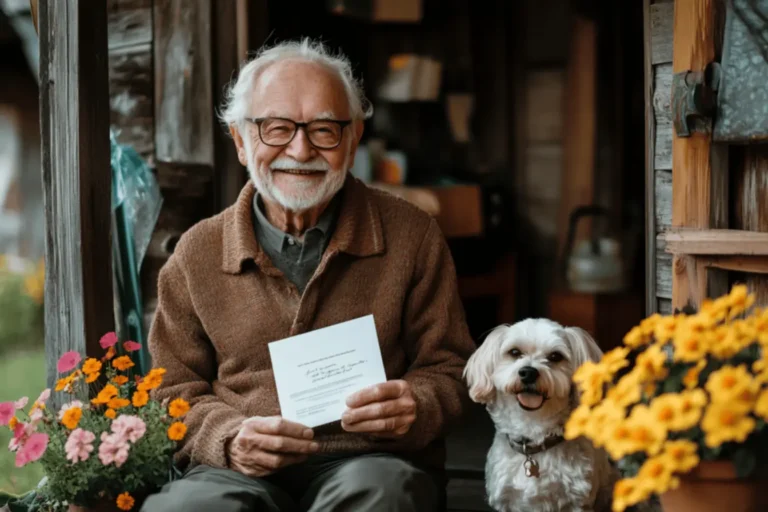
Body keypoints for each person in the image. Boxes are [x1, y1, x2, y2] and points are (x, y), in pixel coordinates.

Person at [141, 38, 475, 512]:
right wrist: (229, 438)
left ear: (354, 139)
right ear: (240, 141)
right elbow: (171, 392)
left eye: (324, 129)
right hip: (236, 472)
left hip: (370, 461)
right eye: (276, 128)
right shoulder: (197, 253)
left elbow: (452, 368)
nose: (300, 151)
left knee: (386, 493)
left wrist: (415, 404)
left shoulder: (411, 235)